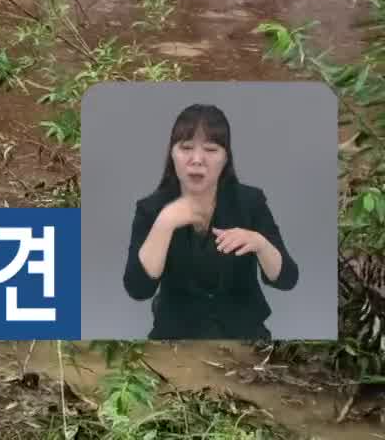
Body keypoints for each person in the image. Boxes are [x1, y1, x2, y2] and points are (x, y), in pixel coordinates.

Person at [123, 103, 299, 340]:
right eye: (186, 148)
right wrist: (164, 224)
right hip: (175, 340)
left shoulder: (249, 202)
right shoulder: (151, 209)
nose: (197, 159)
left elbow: (287, 279)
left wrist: (260, 243)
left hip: (246, 337)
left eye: (211, 149)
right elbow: (138, 289)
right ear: (172, 154)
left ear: (226, 158)